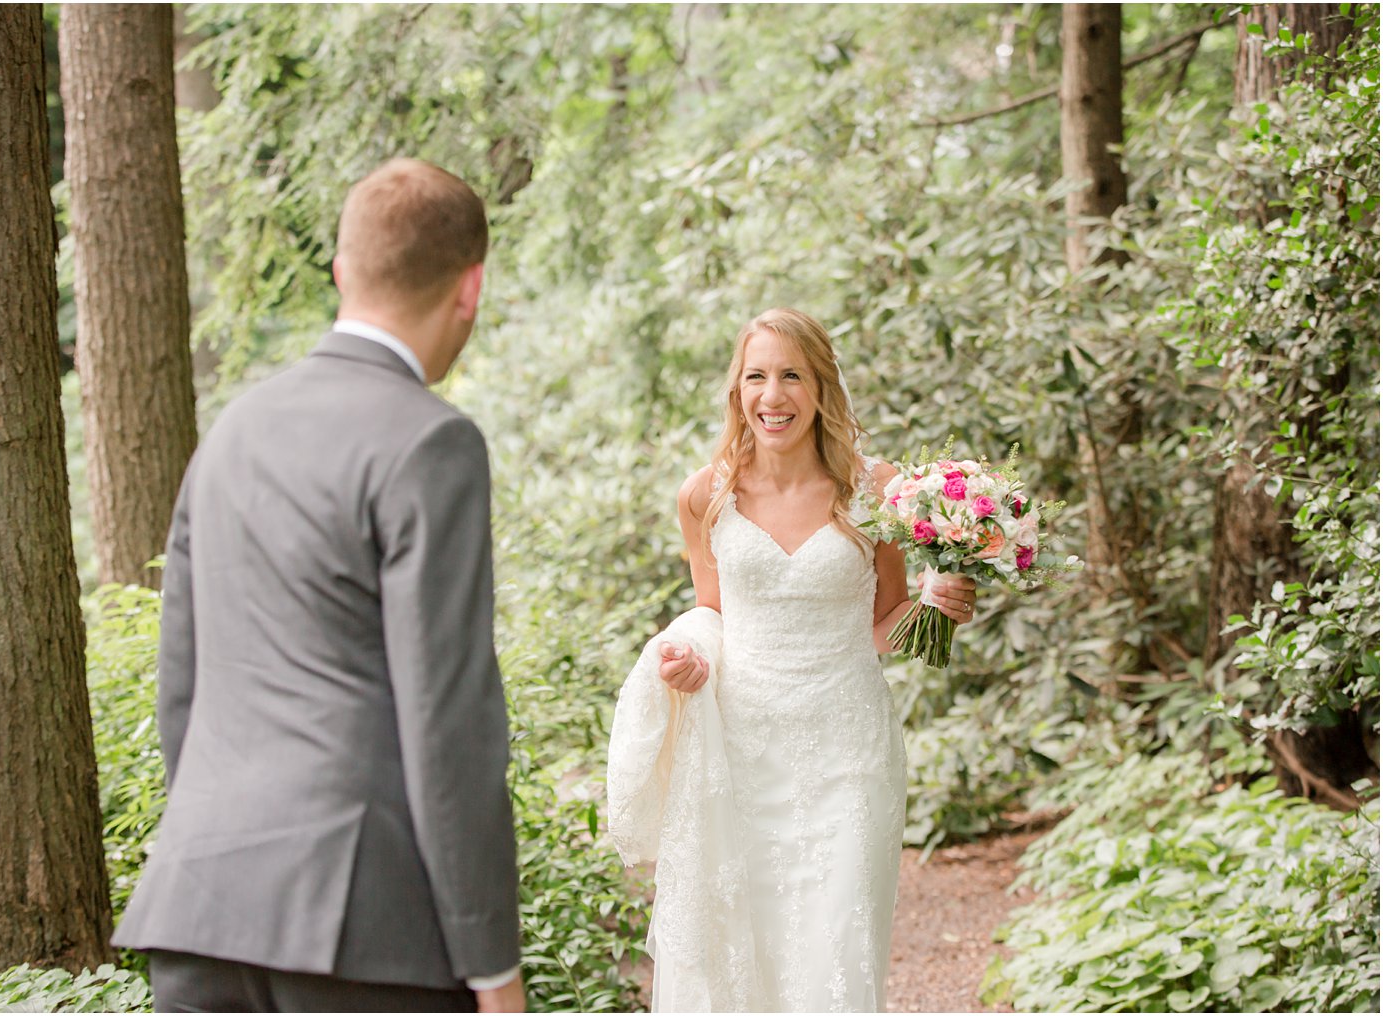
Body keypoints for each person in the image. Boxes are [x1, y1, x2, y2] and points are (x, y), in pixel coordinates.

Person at [112, 159, 525, 1014]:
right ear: (470, 288)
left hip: (199, 909)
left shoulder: (231, 433)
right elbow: (448, 718)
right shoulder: (430, 444)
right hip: (363, 934)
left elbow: (181, 691)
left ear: (342, 271)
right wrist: (492, 963)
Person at [607, 307, 977, 1012]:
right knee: (745, 946)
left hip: (848, 748)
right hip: (742, 752)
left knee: (836, 944)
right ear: (737, 390)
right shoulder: (703, 495)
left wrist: (937, 605)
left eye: (791, 376)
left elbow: (885, 621)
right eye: (757, 377)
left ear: (821, 387)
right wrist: (688, 661)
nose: (772, 396)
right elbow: (711, 613)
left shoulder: (876, 491)